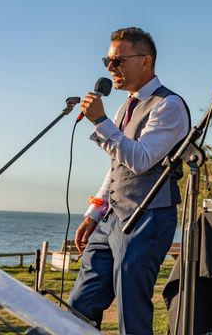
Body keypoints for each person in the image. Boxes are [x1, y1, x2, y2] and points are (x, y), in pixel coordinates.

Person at [69, 27, 190, 334]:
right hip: (112, 215)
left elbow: (140, 159)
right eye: (107, 61)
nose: (110, 69)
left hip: (148, 215)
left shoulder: (169, 105)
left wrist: (100, 121)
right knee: (80, 305)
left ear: (145, 61)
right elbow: (116, 168)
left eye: (118, 61)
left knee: (130, 312)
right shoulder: (126, 105)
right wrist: (94, 213)